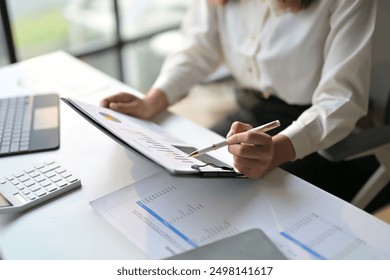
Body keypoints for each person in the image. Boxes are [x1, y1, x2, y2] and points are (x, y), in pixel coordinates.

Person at [101, 0, 377, 200]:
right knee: (176, 183)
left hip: (312, 134)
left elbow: (341, 99)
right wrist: (152, 101)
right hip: (247, 115)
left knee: (238, 204)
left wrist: (276, 152)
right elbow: (197, 49)